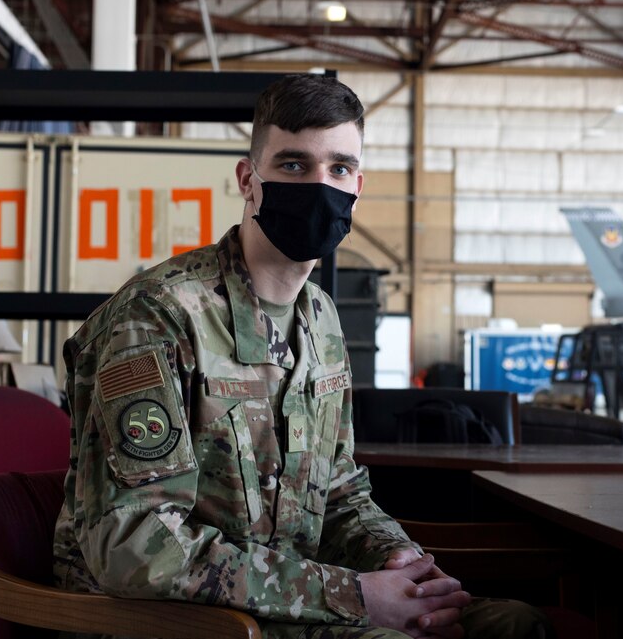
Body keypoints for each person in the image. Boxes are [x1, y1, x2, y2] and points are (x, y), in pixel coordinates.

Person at [53, 74, 553, 639]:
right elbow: (133, 545)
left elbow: (339, 492)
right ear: (249, 180)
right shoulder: (158, 316)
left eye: (338, 168)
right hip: (181, 620)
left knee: (514, 625)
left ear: (357, 186)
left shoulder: (320, 318)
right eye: (293, 165)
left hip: (288, 600)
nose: (319, 185)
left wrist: (402, 567)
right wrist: (352, 596)